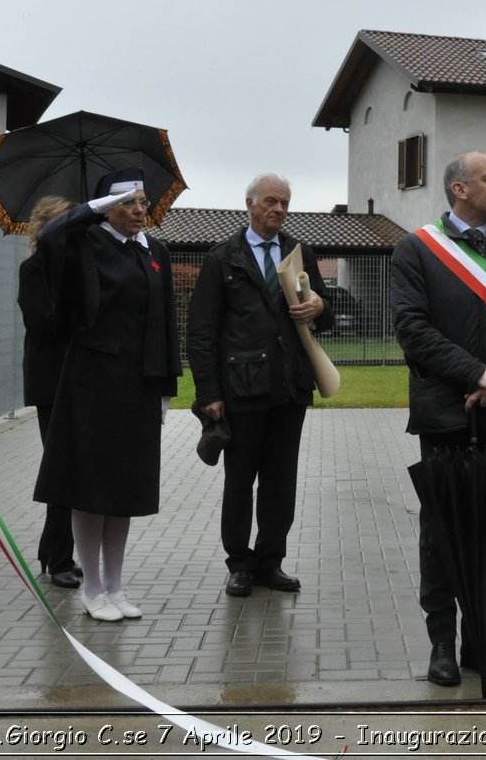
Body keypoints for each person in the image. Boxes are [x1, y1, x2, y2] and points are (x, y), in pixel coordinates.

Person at [390, 151, 486, 687]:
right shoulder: (417, 250)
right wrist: (477, 373)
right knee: (440, 535)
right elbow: (412, 329)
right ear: (460, 189)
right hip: (445, 417)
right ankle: (442, 645)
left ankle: (481, 641)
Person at [32, 168, 180, 622]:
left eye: (143, 201)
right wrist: (92, 210)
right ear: (106, 207)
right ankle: (92, 588)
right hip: (92, 383)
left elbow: (166, 320)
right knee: (90, 488)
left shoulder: (155, 251)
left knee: (125, 490)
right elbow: (52, 237)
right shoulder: (85, 243)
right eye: (129, 202)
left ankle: (115, 585)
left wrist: (165, 385)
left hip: (138, 384)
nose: (140, 210)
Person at [188, 173, 331, 598]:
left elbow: (323, 313)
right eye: (271, 201)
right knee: (240, 481)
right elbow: (201, 331)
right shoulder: (222, 258)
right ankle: (239, 564)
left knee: (280, 481)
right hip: (242, 388)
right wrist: (209, 393)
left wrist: (321, 306)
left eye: (285, 203)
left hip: (290, 387)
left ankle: (271, 561)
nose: (279, 210)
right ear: (249, 204)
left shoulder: (298, 253)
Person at [18, 195, 79, 590]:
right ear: (44, 230)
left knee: (75, 468)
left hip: (81, 380)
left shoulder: (80, 268)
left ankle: (51, 550)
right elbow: (45, 322)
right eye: (61, 225)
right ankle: (58, 558)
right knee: (62, 467)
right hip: (51, 381)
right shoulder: (34, 270)